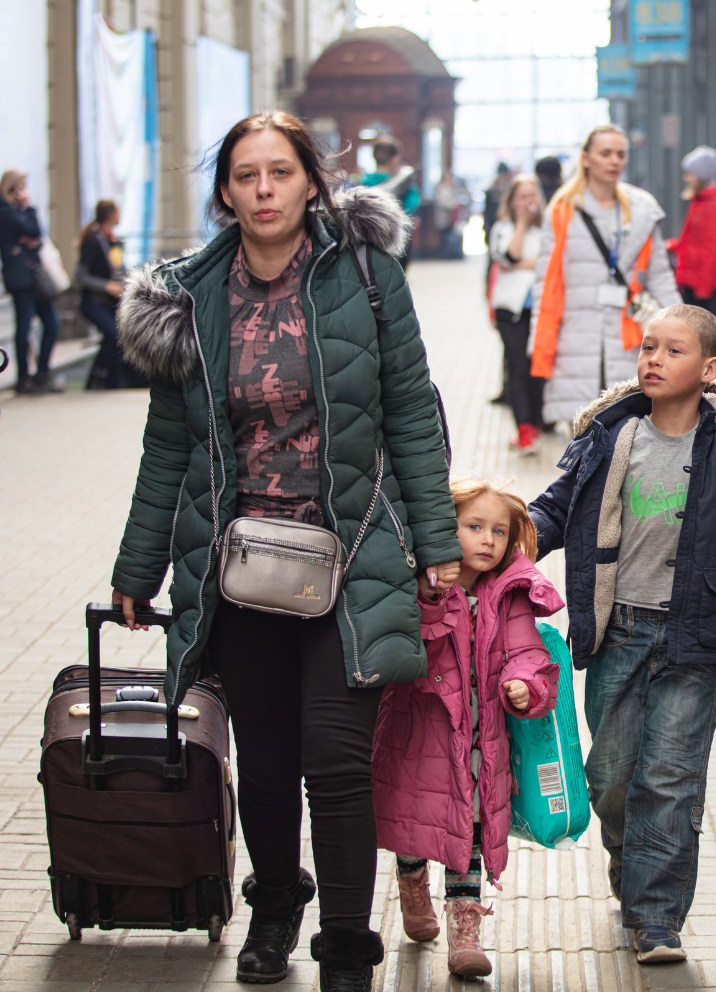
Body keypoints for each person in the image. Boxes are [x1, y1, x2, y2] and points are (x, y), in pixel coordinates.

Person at [111, 110, 462, 991]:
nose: (264, 190)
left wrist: (436, 542)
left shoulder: (368, 275)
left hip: (353, 554)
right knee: (265, 766)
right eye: (246, 176)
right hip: (238, 568)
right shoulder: (190, 298)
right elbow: (169, 448)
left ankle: (346, 945)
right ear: (226, 193)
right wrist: (137, 567)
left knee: (336, 764)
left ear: (313, 181)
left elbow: (412, 410)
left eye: (280, 172)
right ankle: (273, 910)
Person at [529, 304, 716, 965]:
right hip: (616, 629)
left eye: (672, 350)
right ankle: (628, 858)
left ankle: (656, 916)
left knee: (670, 777)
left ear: (709, 369)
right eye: (647, 347)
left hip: (692, 632)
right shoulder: (609, 434)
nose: (653, 359)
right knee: (611, 775)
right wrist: (510, 540)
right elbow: (556, 507)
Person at [373, 480, 562, 977]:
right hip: (423, 734)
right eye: (474, 526)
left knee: (471, 829)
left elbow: (527, 651)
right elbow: (414, 640)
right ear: (445, 528)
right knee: (415, 821)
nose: (487, 540)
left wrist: (525, 683)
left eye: (499, 531)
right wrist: (432, 594)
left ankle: (465, 931)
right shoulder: (423, 584)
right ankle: (412, 882)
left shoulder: (509, 595)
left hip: (481, 740)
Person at [529, 124, 681, 425]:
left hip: (629, 335)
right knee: (582, 432)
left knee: (630, 428)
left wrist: (686, 330)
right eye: (606, 153)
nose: (614, 161)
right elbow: (545, 282)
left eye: (621, 154)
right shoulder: (562, 210)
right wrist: (540, 337)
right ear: (586, 158)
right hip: (574, 336)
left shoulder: (642, 209)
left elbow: (660, 276)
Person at [488, 174, 546, 453]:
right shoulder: (502, 229)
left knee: (538, 369)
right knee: (518, 368)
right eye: (522, 197)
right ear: (511, 201)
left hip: (540, 311)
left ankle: (535, 424)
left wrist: (523, 264)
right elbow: (508, 257)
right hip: (509, 311)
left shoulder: (546, 230)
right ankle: (524, 430)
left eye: (532, 195)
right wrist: (521, 223)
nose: (528, 201)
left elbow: (552, 264)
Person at [0, 169, 61, 394]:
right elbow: (33, 230)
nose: (24, 192)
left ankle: (42, 372)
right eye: (21, 187)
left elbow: (37, 236)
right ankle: (24, 377)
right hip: (20, 278)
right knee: (24, 325)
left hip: (34, 275)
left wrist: (32, 238)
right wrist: (29, 208)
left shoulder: (17, 211)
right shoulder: (5, 211)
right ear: (12, 188)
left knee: (52, 323)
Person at [667, 146, 716, 320]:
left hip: (701, 283)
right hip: (694, 279)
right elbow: (692, 239)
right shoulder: (701, 198)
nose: (686, 178)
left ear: (701, 175)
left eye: (689, 173)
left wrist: (703, 289)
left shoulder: (712, 202)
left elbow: (712, 247)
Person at [76, 199, 128, 389]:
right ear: (110, 215)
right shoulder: (94, 241)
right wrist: (107, 286)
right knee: (112, 334)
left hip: (110, 303)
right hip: (93, 302)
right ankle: (97, 378)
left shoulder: (113, 241)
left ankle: (111, 382)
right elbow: (80, 275)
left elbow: (117, 269)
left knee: (118, 337)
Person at [362, 136, 420, 271]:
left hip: (366, 248)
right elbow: (411, 206)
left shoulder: (360, 183)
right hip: (396, 245)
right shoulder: (404, 186)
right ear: (395, 158)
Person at [483, 162, 513, 244]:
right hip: (493, 223)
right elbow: (487, 212)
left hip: (505, 223)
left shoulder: (509, 187)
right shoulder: (492, 190)